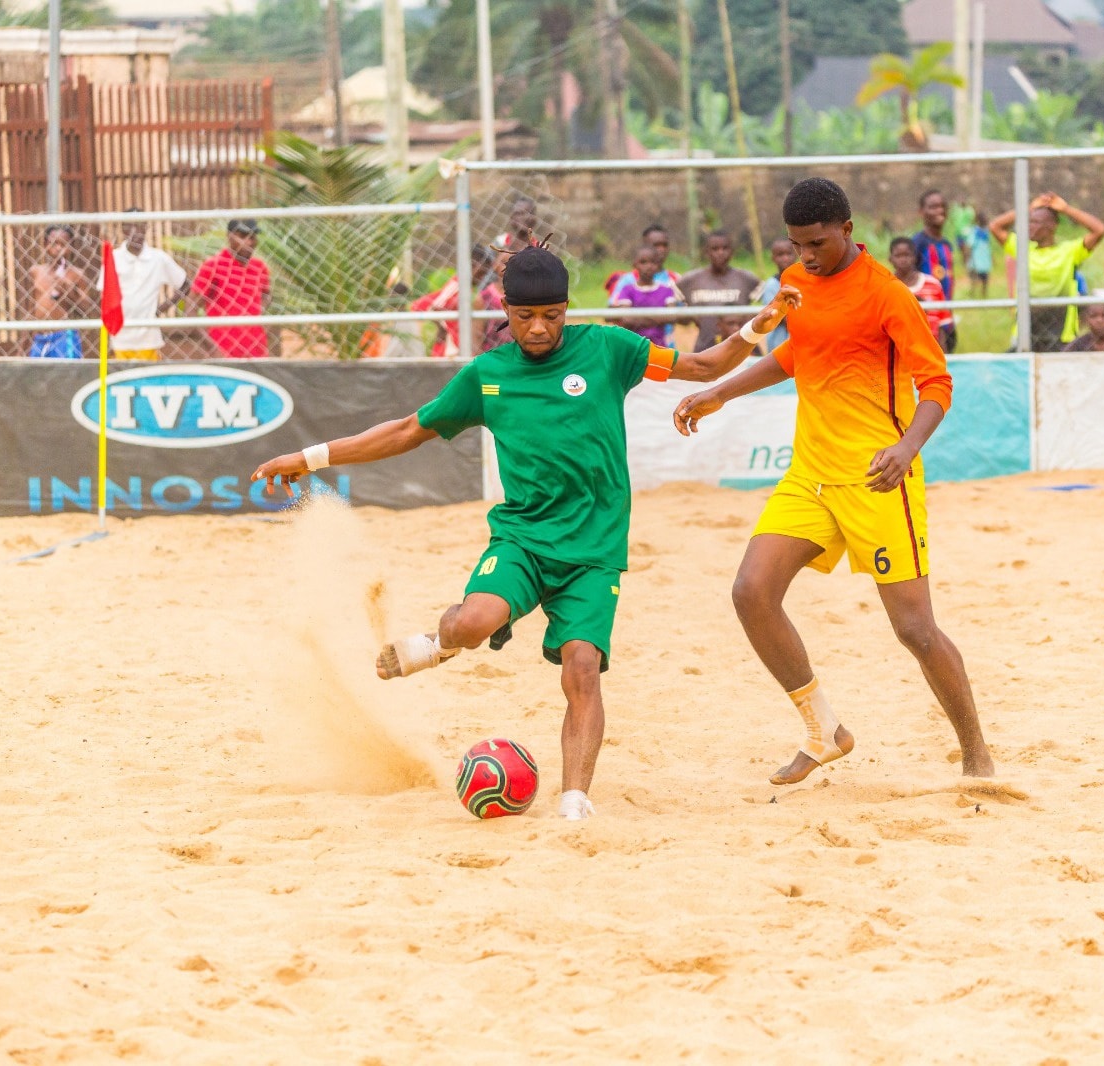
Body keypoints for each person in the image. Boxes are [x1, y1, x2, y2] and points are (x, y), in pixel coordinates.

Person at [250, 246, 800, 820]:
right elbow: (409, 430)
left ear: (568, 309)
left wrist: (758, 325)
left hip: (593, 552)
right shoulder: (487, 377)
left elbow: (704, 367)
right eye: (524, 317)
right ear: (505, 312)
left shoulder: (611, 349)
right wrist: (308, 458)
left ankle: (575, 799)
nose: (539, 328)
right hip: (523, 538)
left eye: (553, 315)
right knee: (470, 623)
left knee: (581, 665)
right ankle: (442, 644)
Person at [671, 177, 993, 787]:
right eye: (795, 245)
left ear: (847, 229)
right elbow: (796, 355)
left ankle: (976, 753)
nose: (806, 256)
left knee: (915, 631)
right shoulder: (796, 283)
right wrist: (718, 392)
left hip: (877, 478)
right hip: (810, 475)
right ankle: (825, 732)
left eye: (816, 242)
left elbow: (938, 384)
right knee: (751, 592)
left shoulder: (887, 296)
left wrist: (907, 446)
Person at [990, 193, 1104, 351]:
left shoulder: (1069, 251)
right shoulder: (1022, 249)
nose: (1029, 227)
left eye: (1036, 222)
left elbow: (1099, 229)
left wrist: (1065, 209)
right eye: (1029, 221)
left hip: (1061, 335)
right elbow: (995, 226)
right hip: (1026, 333)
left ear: (1052, 226)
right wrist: (1030, 207)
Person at [107, 208, 187, 361]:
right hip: (120, 337)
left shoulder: (158, 258)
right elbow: (104, 295)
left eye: (140, 226)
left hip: (148, 337)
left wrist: (160, 309)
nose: (135, 231)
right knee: (122, 380)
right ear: (123, 229)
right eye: (130, 226)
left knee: (147, 379)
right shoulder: (114, 258)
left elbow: (185, 284)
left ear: (146, 228)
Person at [191, 219, 271, 358]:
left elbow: (267, 295)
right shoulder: (213, 266)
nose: (249, 242)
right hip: (224, 351)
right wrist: (212, 347)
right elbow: (190, 311)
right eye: (242, 236)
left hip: (257, 350)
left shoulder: (259, 267)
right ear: (229, 236)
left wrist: (255, 313)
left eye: (252, 237)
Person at [411, 245, 503, 358]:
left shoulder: (470, 290)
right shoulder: (457, 285)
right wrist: (442, 330)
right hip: (448, 348)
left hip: (459, 345)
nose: (481, 279)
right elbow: (434, 307)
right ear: (471, 266)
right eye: (480, 274)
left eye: (484, 275)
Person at [676, 231, 758, 349]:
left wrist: (746, 320)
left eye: (725, 248)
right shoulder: (690, 281)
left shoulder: (746, 279)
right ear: (706, 252)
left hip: (739, 349)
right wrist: (690, 315)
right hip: (704, 349)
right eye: (715, 249)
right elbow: (674, 311)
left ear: (732, 251)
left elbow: (766, 306)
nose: (720, 253)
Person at [27, 225, 89, 359]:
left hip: (64, 336)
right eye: (54, 244)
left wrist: (67, 292)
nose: (58, 249)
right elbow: (30, 309)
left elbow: (85, 309)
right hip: (40, 337)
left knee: (67, 376)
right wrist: (24, 343)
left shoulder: (77, 274)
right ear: (45, 245)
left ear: (71, 246)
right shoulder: (36, 271)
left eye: (64, 244)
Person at [911, 189, 958, 352]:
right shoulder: (917, 243)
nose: (940, 210)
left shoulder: (946, 244)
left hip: (946, 313)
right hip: (927, 319)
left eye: (943, 206)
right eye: (933, 207)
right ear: (921, 212)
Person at [608, 246, 681, 345]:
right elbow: (626, 319)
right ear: (635, 264)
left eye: (653, 262)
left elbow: (672, 317)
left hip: (660, 347)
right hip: (634, 346)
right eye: (643, 262)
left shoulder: (666, 290)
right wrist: (659, 318)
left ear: (658, 265)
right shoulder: (628, 290)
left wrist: (637, 317)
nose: (648, 266)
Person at [889, 236, 949, 340]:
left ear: (915, 257)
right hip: (900, 347)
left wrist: (943, 353)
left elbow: (941, 325)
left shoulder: (933, 284)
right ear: (890, 259)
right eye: (898, 256)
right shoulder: (886, 287)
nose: (903, 259)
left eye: (907, 255)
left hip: (930, 346)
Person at [606, 224, 679, 301]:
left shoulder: (675, 279)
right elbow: (613, 306)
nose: (661, 249)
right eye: (656, 245)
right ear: (644, 246)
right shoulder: (628, 280)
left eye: (665, 245)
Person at [751, 237, 798, 354]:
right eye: (780, 255)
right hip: (778, 344)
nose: (785, 258)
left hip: (799, 345)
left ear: (796, 255)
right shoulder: (771, 285)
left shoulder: (802, 281)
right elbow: (776, 315)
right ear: (773, 258)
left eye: (789, 253)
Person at [960, 210, 993, 300]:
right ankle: (972, 293)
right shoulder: (974, 231)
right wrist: (967, 257)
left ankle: (984, 294)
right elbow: (969, 245)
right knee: (974, 278)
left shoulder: (986, 231)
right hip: (976, 258)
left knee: (985, 277)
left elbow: (988, 244)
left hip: (985, 258)